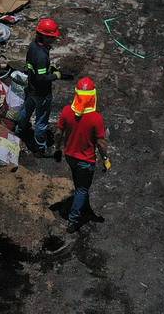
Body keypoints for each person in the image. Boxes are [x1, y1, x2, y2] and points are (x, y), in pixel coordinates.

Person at [54, 76, 109, 234]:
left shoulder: (66, 111)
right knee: (82, 189)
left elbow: (58, 133)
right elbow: (100, 143)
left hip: (70, 156)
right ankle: (73, 220)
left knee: (79, 184)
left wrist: (58, 148)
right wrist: (105, 159)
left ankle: (83, 205)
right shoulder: (96, 118)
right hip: (86, 161)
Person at [19, 17, 63, 154]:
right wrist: (55, 75)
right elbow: (42, 78)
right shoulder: (42, 56)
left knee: (26, 111)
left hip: (31, 89)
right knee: (41, 121)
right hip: (41, 93)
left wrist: (47, 69)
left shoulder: (33, 46)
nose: (54, 39)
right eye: (52, 37)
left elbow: (30, 67)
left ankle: (20, 131)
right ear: (45, 37)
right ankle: (40, 147)